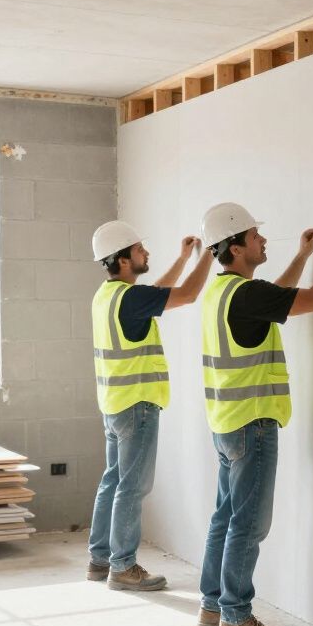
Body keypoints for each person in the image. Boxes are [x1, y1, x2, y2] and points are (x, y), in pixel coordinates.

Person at [196, 203, 313, 626]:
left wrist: (301, 257)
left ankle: (213, 607)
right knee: (248, 525)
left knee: (225, 519)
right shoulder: (246, 295)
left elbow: (273, 297)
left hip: (225, 424)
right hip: (251, 425)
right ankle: (236, 618)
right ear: (236, 248)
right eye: (256, 236)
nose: (262, 240)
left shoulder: (223, 292)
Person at [88, 222, 213, 591]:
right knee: (132, 486)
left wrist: (183, 258)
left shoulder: (107, 295)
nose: (146, 254)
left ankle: (100, 558)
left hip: (113, 404)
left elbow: (159, 294)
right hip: (137, 405)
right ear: (124, 259)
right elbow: (187, 295)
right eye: (141, 250)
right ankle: (123, 566)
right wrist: (211, 252)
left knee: (113, 480)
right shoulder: (130, 298)